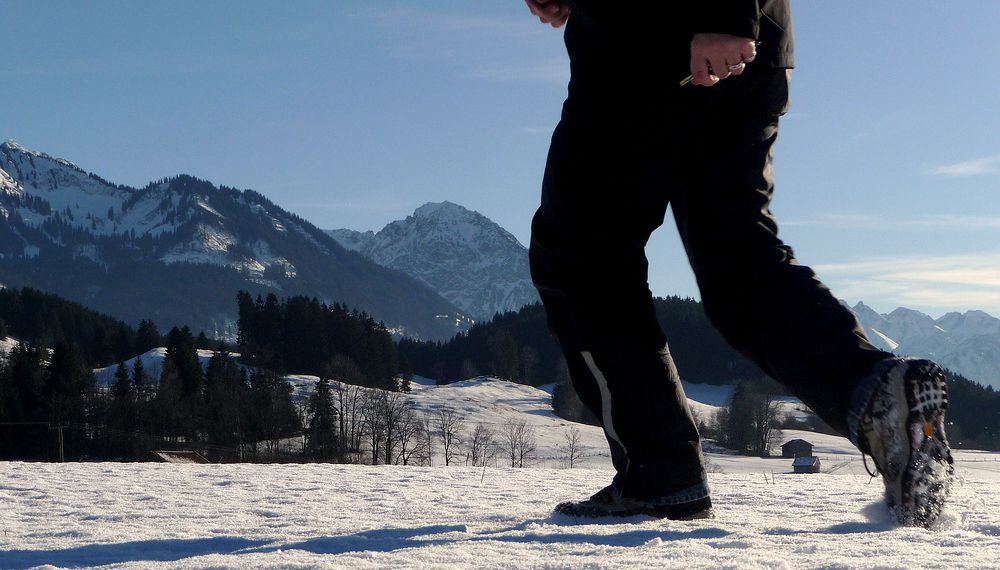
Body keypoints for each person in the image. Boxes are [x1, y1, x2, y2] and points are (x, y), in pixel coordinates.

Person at [524, 0, 954, 527]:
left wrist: (725, 13)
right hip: (720, 49)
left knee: (581, 258)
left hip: (649, 46)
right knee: (738, 262)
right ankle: (878, 399)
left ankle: (662, 476)